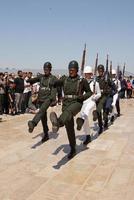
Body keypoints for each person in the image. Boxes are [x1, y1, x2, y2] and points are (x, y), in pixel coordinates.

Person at [49, 60, 92, 159]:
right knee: (69, 128)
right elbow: (56, 83)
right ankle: (73, 148)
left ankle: (58, 123)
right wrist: (53, 82)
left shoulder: (82, 80)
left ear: (76, 70)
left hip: (77, 102)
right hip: (66, 103)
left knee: (68, 113)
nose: (71, 71)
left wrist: (83, 97)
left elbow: (89, 92)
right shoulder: (65, 79)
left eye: (72, 70)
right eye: (69, 70)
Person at [27, 62, 57, 143]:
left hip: (48, 99)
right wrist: (28, 80)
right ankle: (46, 134)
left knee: (41, 111)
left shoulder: (53, 78)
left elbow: (54, 89)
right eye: (44, 69)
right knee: (43, 118)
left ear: (50, 69)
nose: (45, 70)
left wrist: (53, 98)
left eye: (47, 69)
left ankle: (33, 123)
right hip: (40, 99)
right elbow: (34, 79)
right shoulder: (41, 77)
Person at [76, 65, 101, 145]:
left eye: (88, 74)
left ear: (91, 74)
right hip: (84, 101)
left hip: (92, 100)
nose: (87, 75)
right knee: (84, 116)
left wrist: (95, 96)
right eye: (86, 74)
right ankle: (88, 136)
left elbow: (99, 94)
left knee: (85, 112)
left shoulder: (95, 83)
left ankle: (82, 121)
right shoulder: (81, 82)